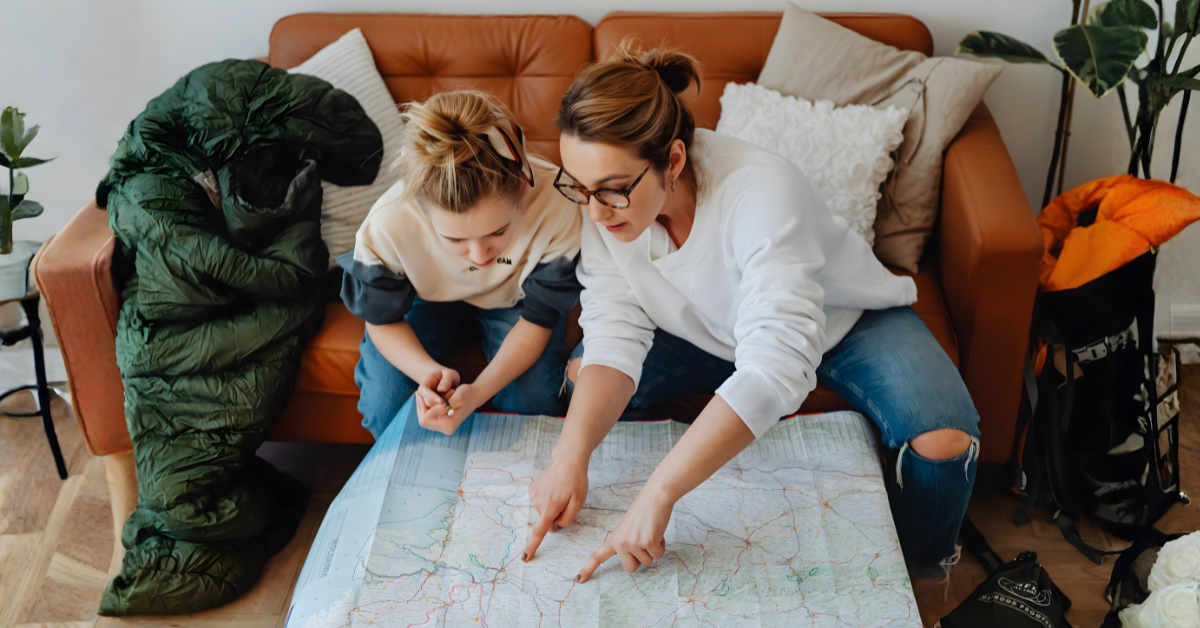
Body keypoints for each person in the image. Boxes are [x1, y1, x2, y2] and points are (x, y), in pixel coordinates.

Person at [520, 42, 981, 581]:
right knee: (582, 379)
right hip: (700, 331)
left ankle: (917, 579)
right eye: (580, 188)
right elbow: (613, 329)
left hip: (846, 322)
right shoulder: (602, 205)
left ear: (673, 161)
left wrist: (659, 493)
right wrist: (568, 459)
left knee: (943, 444)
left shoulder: (761, 190)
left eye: (614, 190)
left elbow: (776, 365)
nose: (596, 213)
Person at [339, 90, 583, 437]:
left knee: (535, 401)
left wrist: (479, 391)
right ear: (420, 209)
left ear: (522, 188)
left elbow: (538, 319)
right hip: (423, 298)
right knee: (386, 404)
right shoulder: (386, 223)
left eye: (498, 231)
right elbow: (382, 320)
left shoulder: (559, 201)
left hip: (518, 300)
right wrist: (428, 374)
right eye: (455, 239)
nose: (481, 257)